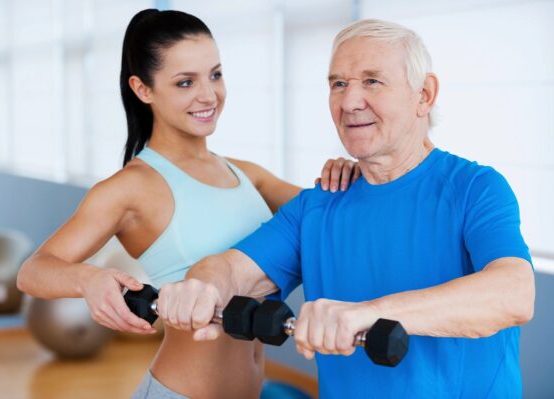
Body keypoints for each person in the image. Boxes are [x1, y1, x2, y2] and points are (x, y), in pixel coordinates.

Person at [155, 19, 535, 398]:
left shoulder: (474, 188)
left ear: (424, 95)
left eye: (372, 81)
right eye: (338, 83)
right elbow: (232, 270)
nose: (350, 102)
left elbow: (513, 293)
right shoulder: (317, 205)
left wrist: (369, 312)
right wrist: (200, 286)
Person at [16, 8, 357, 399]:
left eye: (215, 74)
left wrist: (342, 173)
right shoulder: (131, 188)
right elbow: (33, 271)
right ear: (143, 89)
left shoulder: (248, 175)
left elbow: (332, 216)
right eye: (184, 82)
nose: (208, 95)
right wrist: (89, 279)